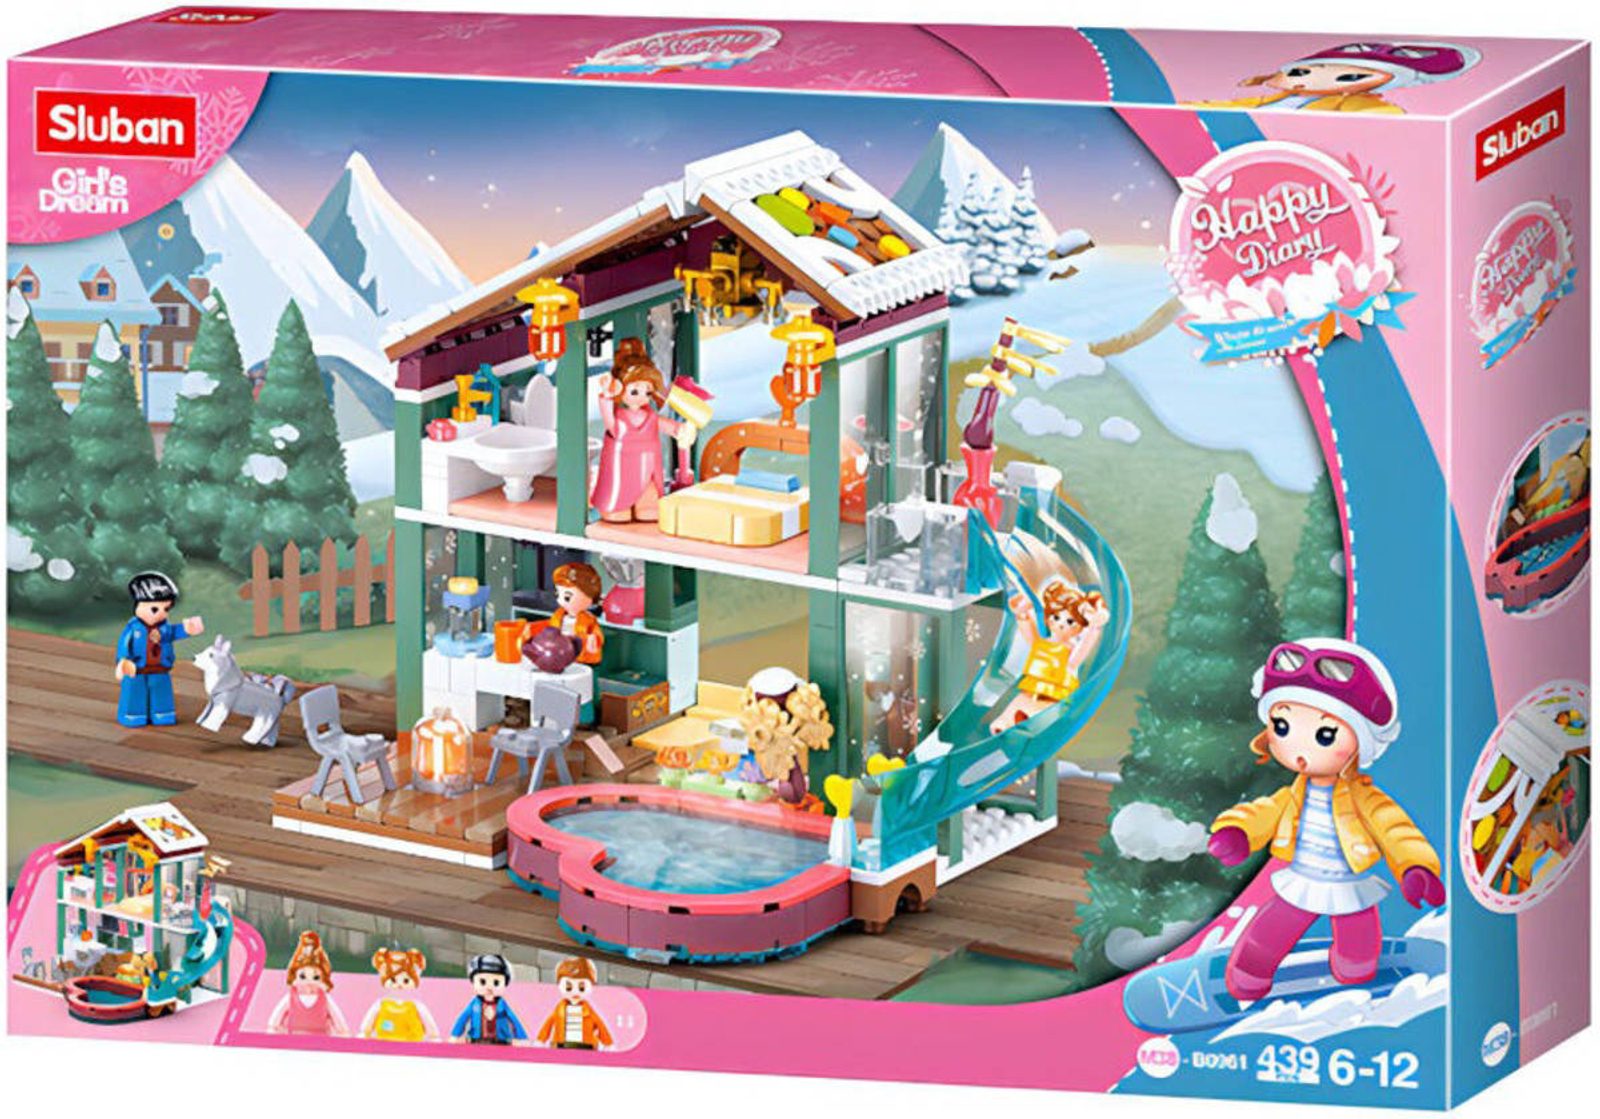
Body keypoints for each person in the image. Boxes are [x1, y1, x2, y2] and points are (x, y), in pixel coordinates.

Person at [1208, 638, 1446, 1000]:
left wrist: (1416, 867)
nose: (1299, 750)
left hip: (1348, 882)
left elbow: (1396, 830)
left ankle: (1356, 967)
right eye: (1282, 727)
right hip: (1304, 879)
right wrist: (1237, 832)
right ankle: (1250, 970)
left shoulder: (1365, 799)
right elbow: (1265, 812)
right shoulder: (1294, 795)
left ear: (1361, 742)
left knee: (1358, 936)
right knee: (1271, 930)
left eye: (1324, 735)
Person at [988, 531, 1110, 734]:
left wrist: (1094, 626)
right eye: (1056, 617)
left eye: (1069, 621)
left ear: (1079, 626)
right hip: (1030, 691)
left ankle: (1026, 728)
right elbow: (1028, 632)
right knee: (1017, 705)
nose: (1061, 624)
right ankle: (1006, 724)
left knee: (1036, 714)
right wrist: (1022, 614)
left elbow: (1085, 646)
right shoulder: (1041, 643)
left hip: (1053, 699)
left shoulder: (1070, 653)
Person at [1191, 42, 1481, 115]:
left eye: (1351, 76)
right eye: (1300, 73)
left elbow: (1380, 115)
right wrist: (1194, 108)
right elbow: (1242, 106)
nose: (1305, 82)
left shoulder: (1348, 103)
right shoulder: (1281, 97)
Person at [589, 339, 691, 523]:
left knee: (649, 499)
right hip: (620, 469)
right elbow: (608, 416)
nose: (642, 397)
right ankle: (617, 505)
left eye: (648, 392)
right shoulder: (618, 419)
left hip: (647, 466)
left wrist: (680, 430)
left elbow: (668, 426)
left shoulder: (650, 417)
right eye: (635, 392)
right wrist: (607, 395)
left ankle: (646, 502)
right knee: (618, 501)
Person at [114, 571, 204, 728]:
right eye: (155, 609)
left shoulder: (164, 628)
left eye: (166, 609)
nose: (161, 614)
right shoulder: (133, 629)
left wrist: (187, 629)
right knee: (134, 694)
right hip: (137, 669)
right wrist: (123, 661)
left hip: (160, 669)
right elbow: (124, 646)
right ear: (138, 605)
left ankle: (162, 714)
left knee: (162, 693)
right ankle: (133, 716)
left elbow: (174, 632)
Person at [266, 931, 350, 1036]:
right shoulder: (290, 998)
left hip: (320, 1041)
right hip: (294, 1040)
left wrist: (342, 1036)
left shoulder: (325, 999)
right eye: (303, 976)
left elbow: (340, 1025)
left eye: (316, 977)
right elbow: (274, 1022)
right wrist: (274, 1032)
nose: (309, 982)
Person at [522, 562, 604, 665]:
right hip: (558, 652)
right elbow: (549, 627)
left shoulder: (588, 620)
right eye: (557, 594)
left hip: (578, 657)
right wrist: (531, 628)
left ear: (590, 598)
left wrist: (592, 641)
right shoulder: (559, 615)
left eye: (567, 597)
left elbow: (596, 635)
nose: (560, 601)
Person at [359, 947, 441, 1043]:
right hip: (384, 1043)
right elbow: (366, 1027)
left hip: (412, 1045)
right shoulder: (381, 1005)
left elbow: (432, 1030)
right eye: (393, 980)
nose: (399, 985)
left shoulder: (417, 1006)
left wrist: (434, 1038)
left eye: (406, 981)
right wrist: (364, 1034)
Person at [535, 956, 614, 1050]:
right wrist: (541, 1040)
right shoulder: (559, 1010)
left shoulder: (589, 1011)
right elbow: (547, 1025)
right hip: (562, 1047)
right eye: (568, 987)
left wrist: (608, 1043)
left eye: (581, 988)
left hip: (586, 1048)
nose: (575, 992)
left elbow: (601, 1026)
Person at [450, 953, 527, 1045]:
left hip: (501, 1041)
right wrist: (455, 1035)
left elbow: (514, 1019)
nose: (489, 987)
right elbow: (463, 1018)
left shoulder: (502, 1005)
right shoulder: (474, 1004)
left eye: (496, 983)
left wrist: (521, 1037)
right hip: (476, 1041)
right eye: (482, 982)